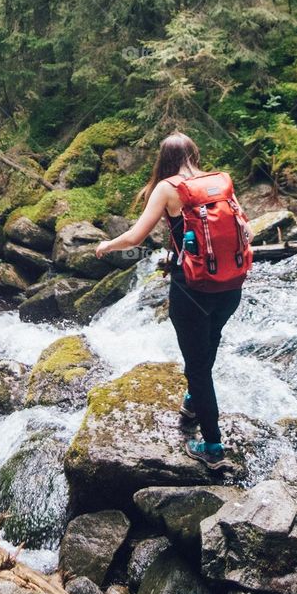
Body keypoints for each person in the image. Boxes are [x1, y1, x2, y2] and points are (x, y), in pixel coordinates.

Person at [95, 131, 244, 471]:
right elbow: (246, 233)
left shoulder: (167, 188)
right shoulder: (218, 182)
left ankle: (213, 446)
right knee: (208, 346)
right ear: (195, 153)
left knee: (197, 365)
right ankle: (192, 403)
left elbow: (135, 236)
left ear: (164, 159)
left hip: (192, 289)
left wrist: (105, 246)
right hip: (230, 286)